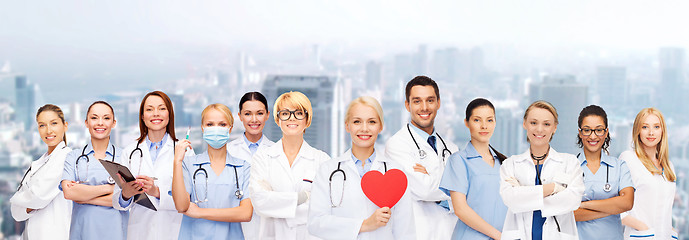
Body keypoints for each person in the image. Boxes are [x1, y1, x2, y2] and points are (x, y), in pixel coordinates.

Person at [308, 96, 415, 239]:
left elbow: (405, 232)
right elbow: (316, 223)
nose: (364, 128)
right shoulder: (328, 171)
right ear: (347, 126)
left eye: (372, 122)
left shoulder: (395, 173)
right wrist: (364, 225)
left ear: (380, 126)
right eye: (357, 122)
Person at [384, 76, 459, 239]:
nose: (424, 107)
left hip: (451, 233)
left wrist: (432, 179)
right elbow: (424, 189)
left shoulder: (451, 149)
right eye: (417, 101)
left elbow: (467, 196)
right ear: (407, 105)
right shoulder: (397, 145)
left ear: (438, 103)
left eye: (430, 100)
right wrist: (454, 187)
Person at [250, 91, 330, 240]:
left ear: (307, 119)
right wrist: (302, 198)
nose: (292, 118)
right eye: (285, 113)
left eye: (299, 113)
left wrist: (277, 202)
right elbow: (260, 201)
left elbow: (325, 208)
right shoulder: (263, 158)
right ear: (277, 119)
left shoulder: (322, 160)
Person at [113, 91, 192, 240]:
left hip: (173, 230)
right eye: (149, 109)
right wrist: (126, 194)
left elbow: (189, 200)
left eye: (161, 109)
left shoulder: (184, 151)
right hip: (140, 231)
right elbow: (118, 203)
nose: (156, 114)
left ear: (169, 115)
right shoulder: (130, 152)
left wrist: (157, 192)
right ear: (142, 117)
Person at [499, 100, 584, 240]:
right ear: (524, 124)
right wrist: (554, 188)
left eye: (546, 124)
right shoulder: (510, 164)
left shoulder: (570, 163)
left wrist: (523, 195)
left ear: (554, 127)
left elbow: (572, 200)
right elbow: (510, 199)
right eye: (533, 123)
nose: (539, 129)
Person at [171, 103, 253, 239]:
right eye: (210, 124)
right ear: (203, 128)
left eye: (222, 124)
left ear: (230, 128)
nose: (216, 129)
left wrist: (200, 212)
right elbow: (181, 205)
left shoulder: (243, 167)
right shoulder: (188, 165)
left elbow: (246, 213)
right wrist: (177, 161)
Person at [439, 98, 508, 240]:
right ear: (467, 123)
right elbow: (460, 209)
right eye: (477, 120)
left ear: (495, 123)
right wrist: (499, 236)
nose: (484, 126)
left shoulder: (504, 163)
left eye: (489, 120)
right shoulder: (459, 160)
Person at [61, 101, 128, 240]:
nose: (100, 123)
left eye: (106, 118)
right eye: (94, 118)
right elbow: (69, 193)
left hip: (116, 233)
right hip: (83, 232)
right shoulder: (74, 157)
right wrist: (111, 188)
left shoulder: (125, 157)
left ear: (114, 123)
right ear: (86, 123)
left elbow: (125, 200)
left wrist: (83, 196)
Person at [11, 104, 73, 240]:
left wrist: (16, 200)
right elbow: (15, 213)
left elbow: (38, 197)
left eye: (54, 123)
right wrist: (26, 205)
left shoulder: (66, 158)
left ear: (65, 126)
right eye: (42, 125)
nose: (48, 130)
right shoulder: (39, 163)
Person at [573, 105, 634, 240]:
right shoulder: (569, 166)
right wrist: (612, 208)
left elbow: (627, 203)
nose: (593, 136)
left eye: (599, 130)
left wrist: (583, 205)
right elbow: (568, 213)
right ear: (580, 133)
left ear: (606, 132)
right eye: (587, 130)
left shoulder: (619, 166)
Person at [618, 108, 677, 239]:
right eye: (645, 127)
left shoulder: (669, 167)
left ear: (663, 131)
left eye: (656, 127)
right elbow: (616, 207)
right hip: (642, 236)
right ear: (637, 131)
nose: (651, 132)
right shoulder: (629, 159)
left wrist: (672, 231)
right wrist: (643, 228)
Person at [228, 92, 275, 240]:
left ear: (267, 115)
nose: (254, 119)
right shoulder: (228, 151)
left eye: (259, 113)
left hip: (269, 227)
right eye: (248, 114)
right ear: (240, 116)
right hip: (234, 227)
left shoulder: (277, 152)